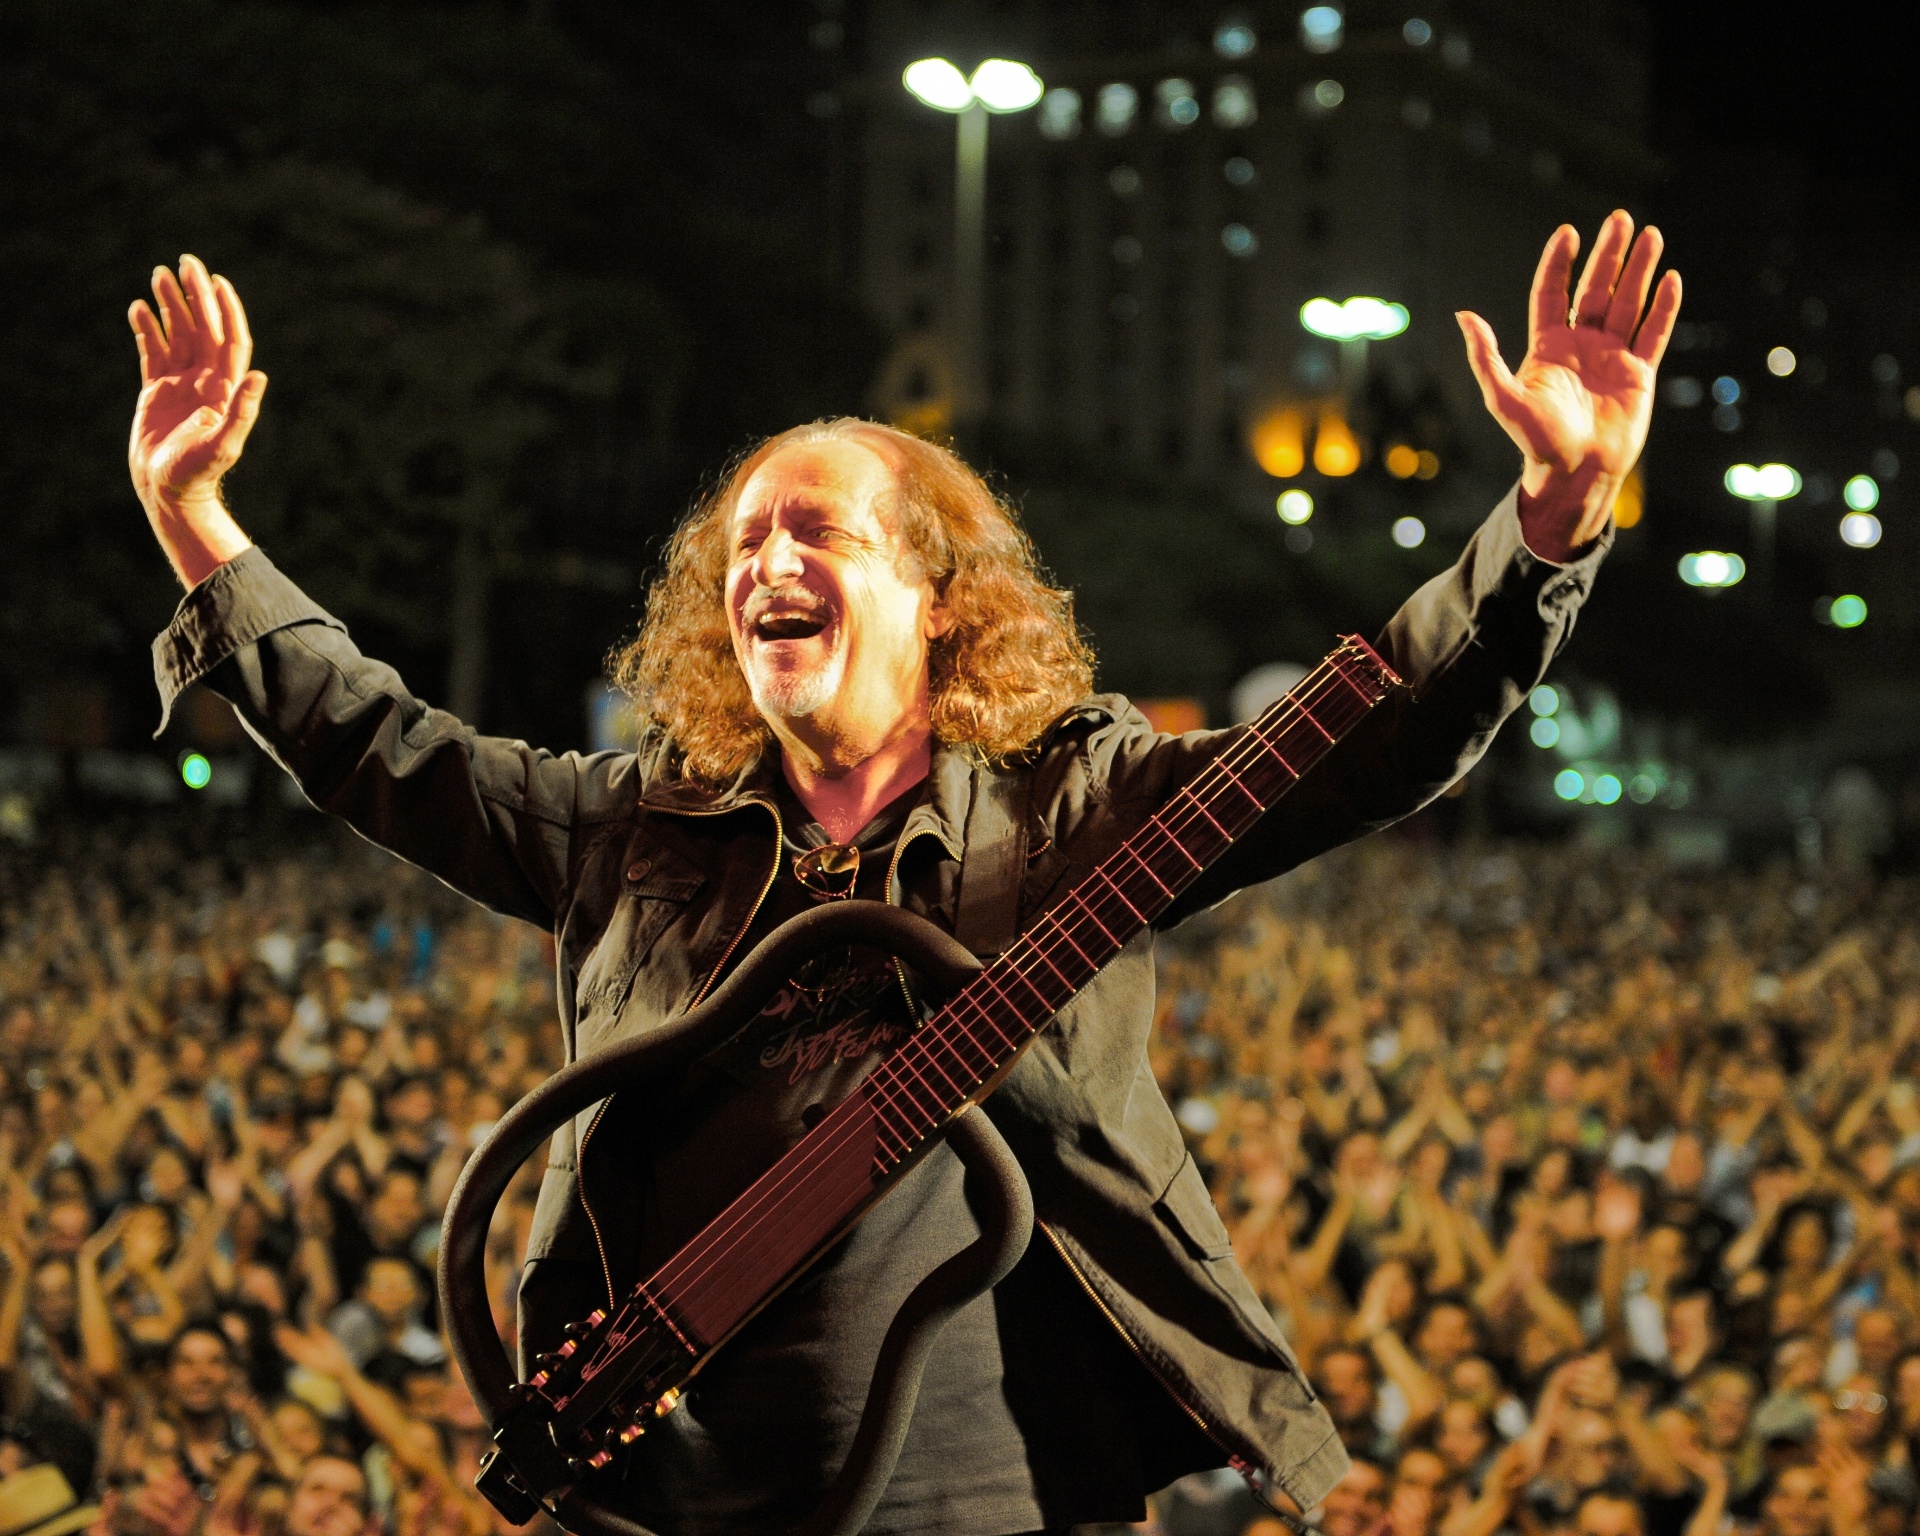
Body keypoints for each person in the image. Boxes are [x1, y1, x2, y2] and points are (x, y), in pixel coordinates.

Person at [123, 209, 1680, 1536]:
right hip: (672, 1489)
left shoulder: (1070, 809)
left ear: (937, 600)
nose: (763, 568)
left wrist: (1547, 524)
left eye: (818, 534)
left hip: (992, 1487)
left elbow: (1369, 733)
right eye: (740, 546)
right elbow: (390, 752)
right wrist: (198, 528)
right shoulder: (637, 830)